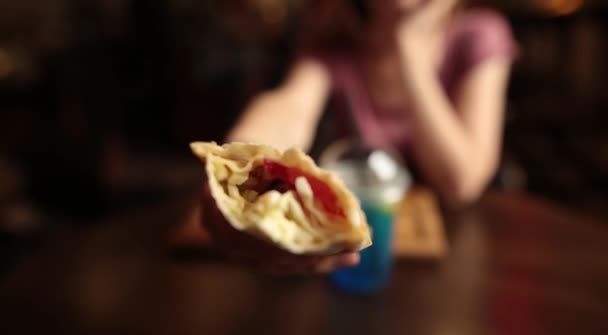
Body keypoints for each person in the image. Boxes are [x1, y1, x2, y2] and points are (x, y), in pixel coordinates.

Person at [181, 0, 518, 274]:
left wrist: (409, 53)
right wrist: (237, 167)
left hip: (453, 260)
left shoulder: (480, 34)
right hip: (352, 255)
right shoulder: (337, 40)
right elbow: (292, 106)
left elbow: (461, 183)